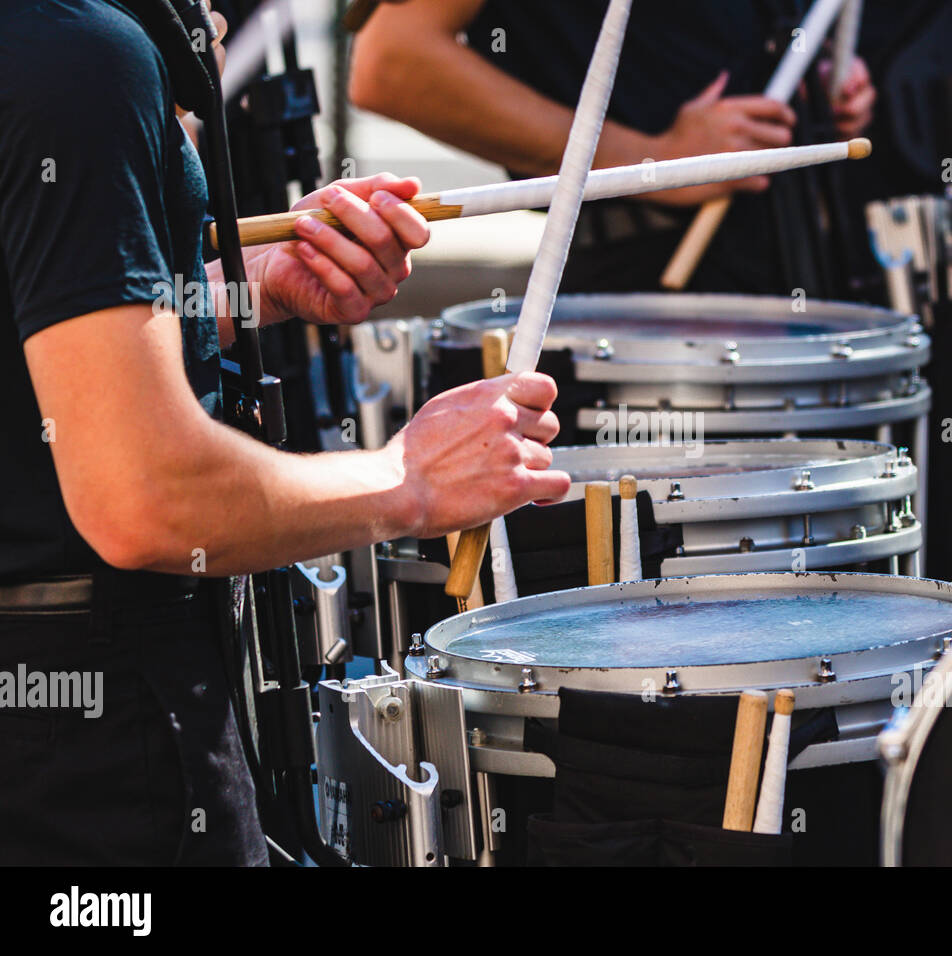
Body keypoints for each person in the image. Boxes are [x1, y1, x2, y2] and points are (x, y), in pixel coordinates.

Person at [0, 0, 567, 865]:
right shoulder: (80, 62)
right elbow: (147, 497)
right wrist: (407, 479)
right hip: (91, 767)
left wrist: (236, 285)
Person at [350, 0, 876, 296]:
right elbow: (392, 61)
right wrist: (649, 160)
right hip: (651, 297)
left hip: (813, 262)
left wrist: (816, 72)